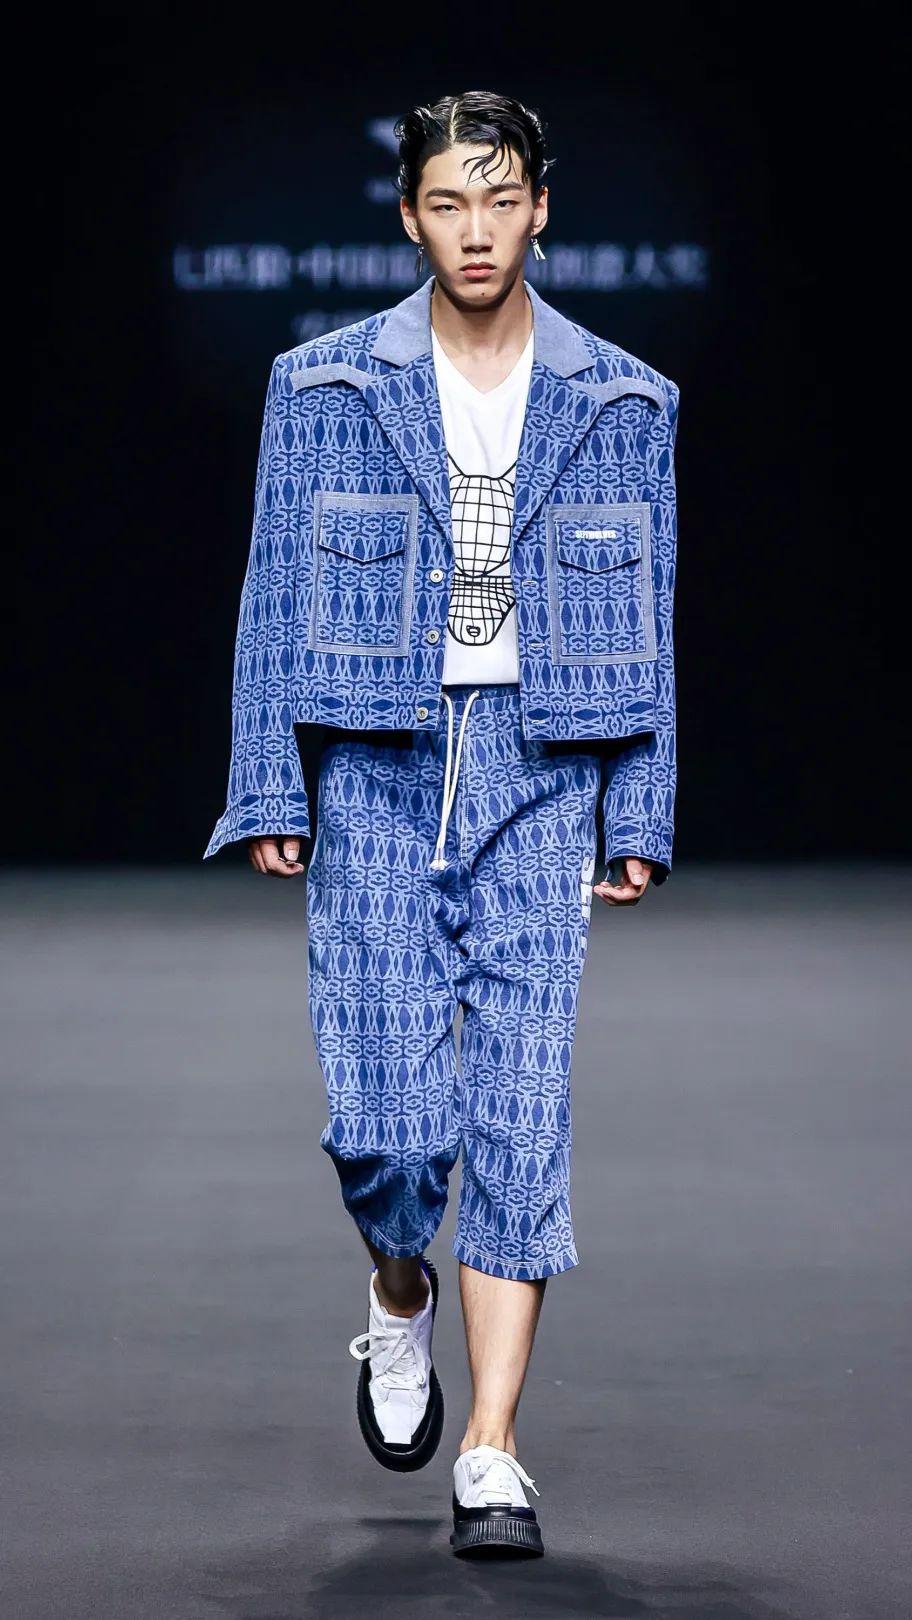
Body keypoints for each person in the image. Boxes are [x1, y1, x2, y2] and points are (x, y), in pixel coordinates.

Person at [205, 89, 680, 1559]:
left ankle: (493, 1450)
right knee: (390, 1130)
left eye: (502, 197)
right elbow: (272, 589)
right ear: (411, 216)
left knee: (523, 1112)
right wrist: (270, 780)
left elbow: (651, 614)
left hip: (545, 765)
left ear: (541, 207)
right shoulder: (324, 386)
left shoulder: (626, 401)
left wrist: (639, 802)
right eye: (450, 202)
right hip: (373, 764)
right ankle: (397, 1292)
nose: (478, 229)